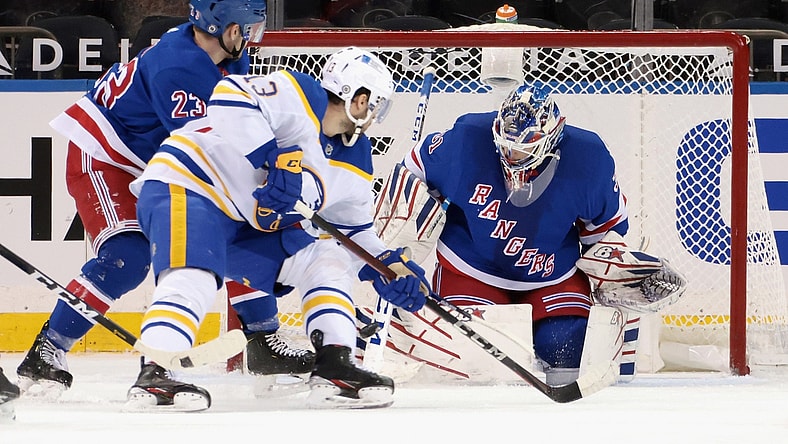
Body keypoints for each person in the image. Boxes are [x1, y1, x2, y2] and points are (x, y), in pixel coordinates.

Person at [17, 0, 312, 397]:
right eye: (249, 29)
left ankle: (262, 340)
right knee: (130, 255)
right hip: (109, 158)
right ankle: (47, 350)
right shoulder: (179, 68)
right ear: (226, 28)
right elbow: (211, 145)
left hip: (158, 158)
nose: (253, 38)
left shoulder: (227, 57)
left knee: (234, 223)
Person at [126, 46, 429, 410]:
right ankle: (156, 373)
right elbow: (229, 95)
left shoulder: (357, 157)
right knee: (196, 274)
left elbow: (351, 232)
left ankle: (335, 363)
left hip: (248, 225)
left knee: (326, 256)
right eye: (376, 105)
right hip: (191, 187)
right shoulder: (298, 93)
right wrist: (271, 155)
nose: (375, 117)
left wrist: (388, 266)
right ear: (360, 100)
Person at [397, 83, 630, 386]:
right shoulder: (467, 139)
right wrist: (405, 230)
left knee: (568, 348)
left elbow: (607, 229)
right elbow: (411, 172)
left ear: (553, 139)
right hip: (471, 268)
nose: (512, 156)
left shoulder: (589, 158)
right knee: (474, 359)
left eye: (524, 148)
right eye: (506, 146)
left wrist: (613, 271)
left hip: (552, 273)